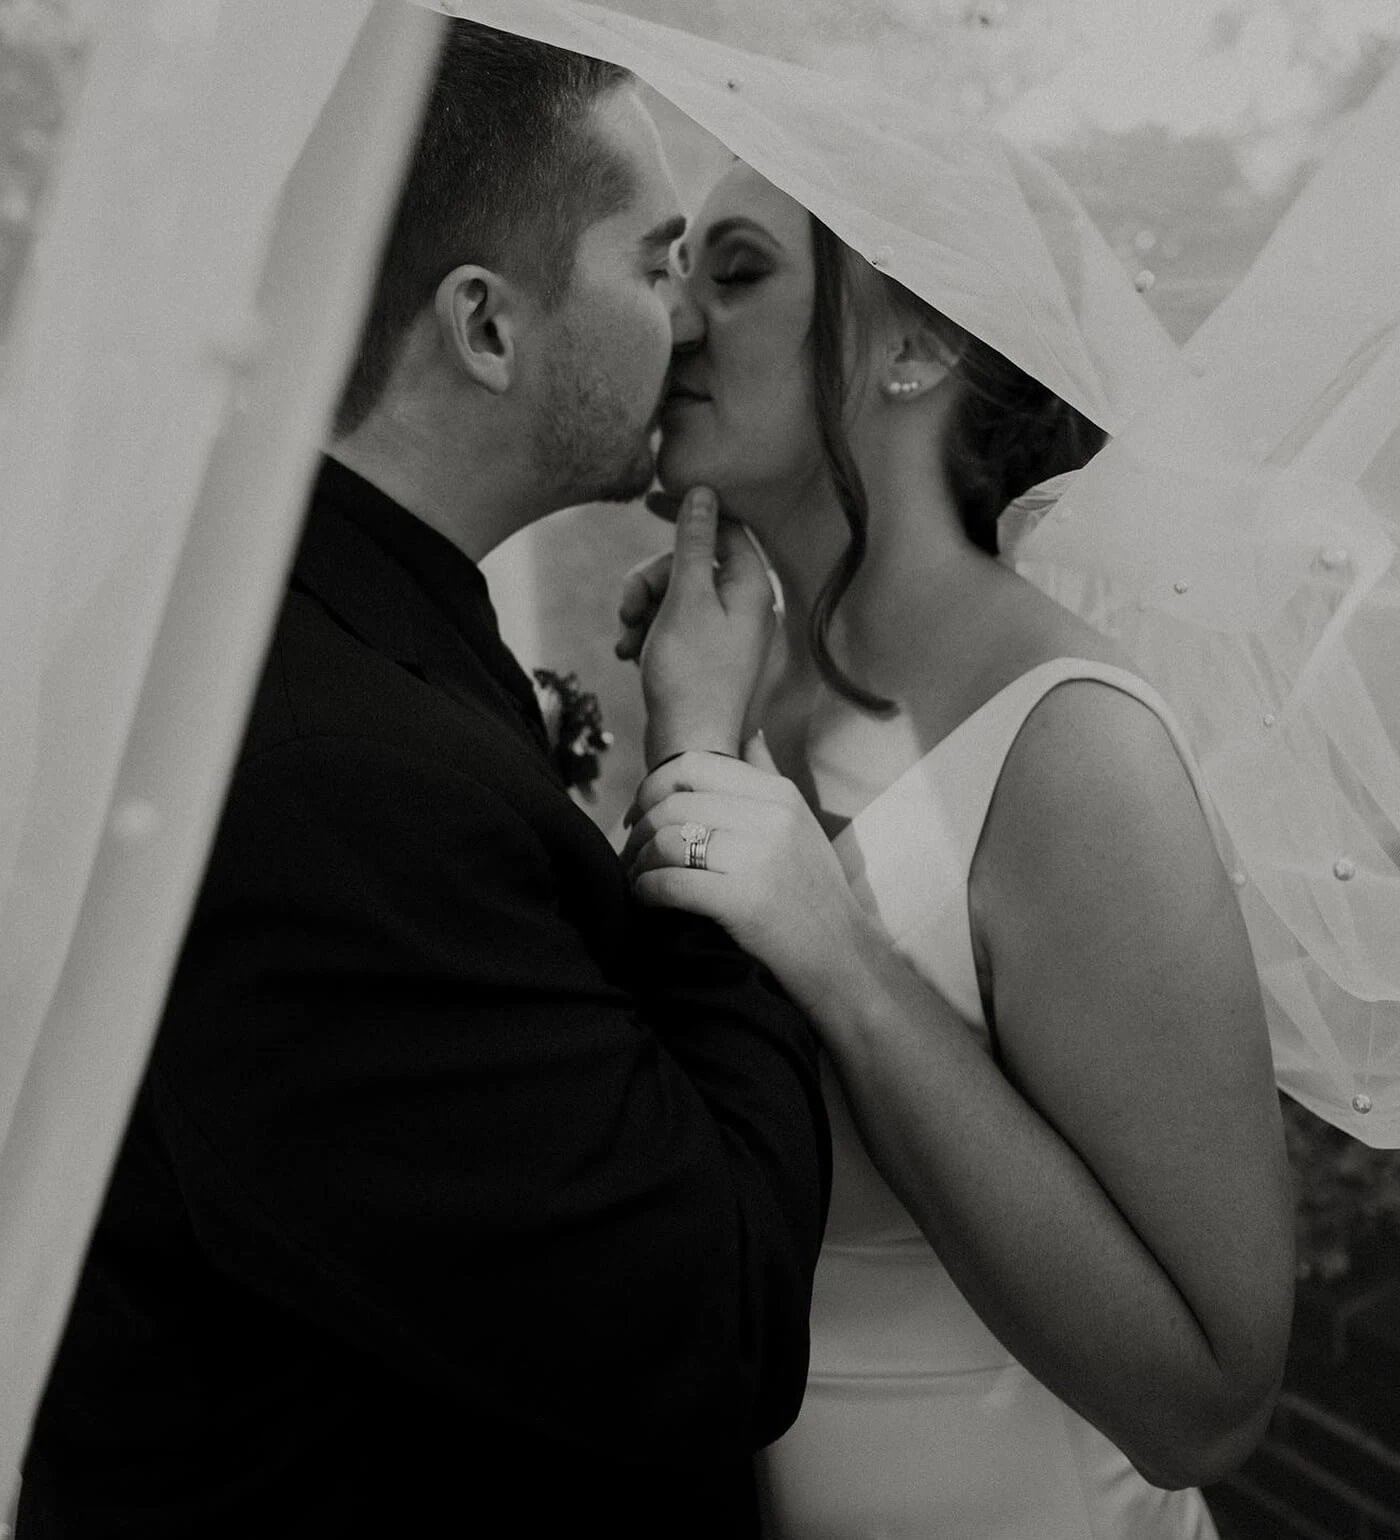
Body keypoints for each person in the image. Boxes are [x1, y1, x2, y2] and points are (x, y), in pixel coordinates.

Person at [18, 26, 829, 1540]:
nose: (686, 326)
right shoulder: (334, 780)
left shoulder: (293, 615)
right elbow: (710, 1316)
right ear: (486, 326)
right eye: (655, 263)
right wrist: (704, 762)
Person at [617, 161, 1296, 1538]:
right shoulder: (723, 679)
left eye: (736, 274)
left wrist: (846, 961)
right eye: (678, 271)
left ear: (917, 346)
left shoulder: (1073, 745)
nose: (676, 319)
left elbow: (1207, 1410)